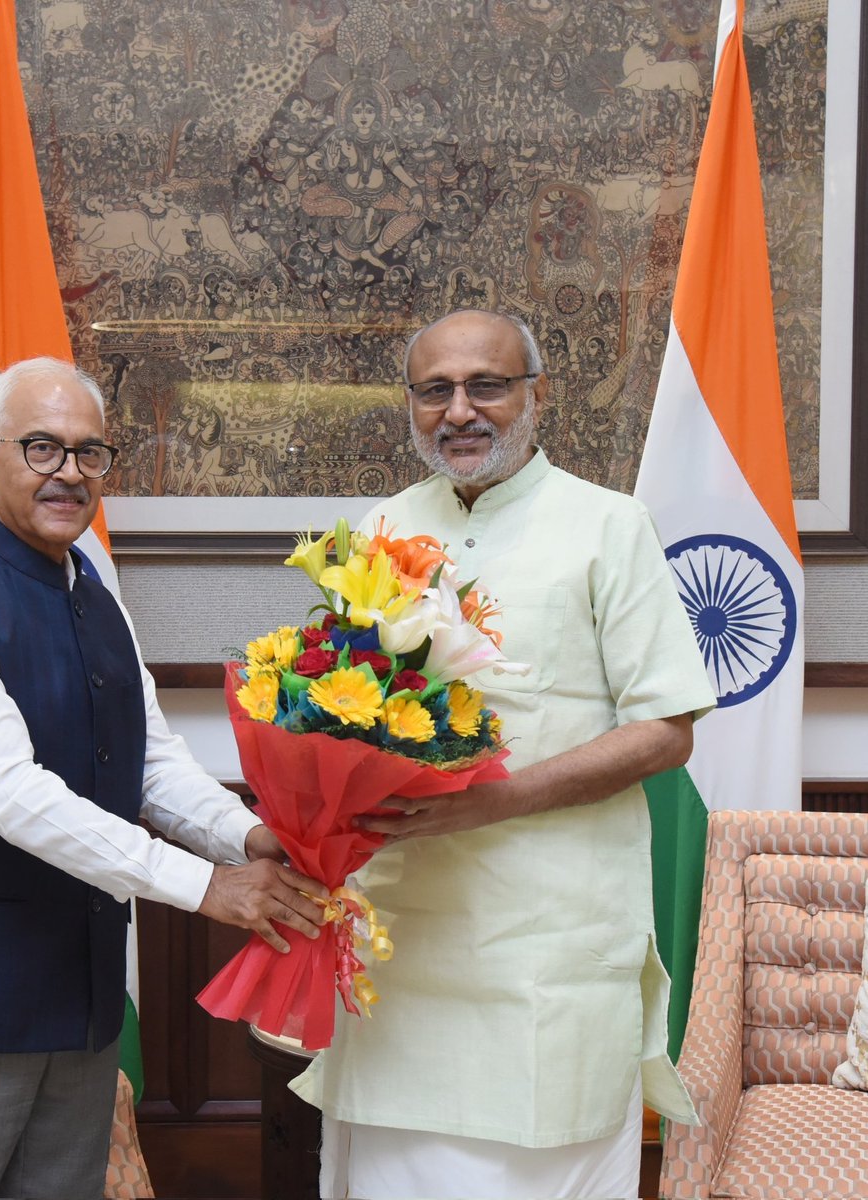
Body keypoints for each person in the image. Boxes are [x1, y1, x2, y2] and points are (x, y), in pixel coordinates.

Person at [0, 356, 326, 1200]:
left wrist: (253, 837)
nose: (69, 472)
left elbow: (149, 762)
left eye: (89, 452)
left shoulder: (97, 597)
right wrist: (206, 886)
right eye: (41, 447)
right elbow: (13, 795)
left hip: (78, 999)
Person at [291, 310, 716, 1200]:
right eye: (434, 391)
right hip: (399, 942)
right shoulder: (377, 527)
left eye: (484, 386)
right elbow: (337, 710)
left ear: (536, 394)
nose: (458, 411)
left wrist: (497, 800)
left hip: (545, 946)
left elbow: (665, 728)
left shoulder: (608, 524)